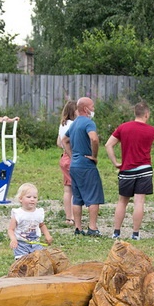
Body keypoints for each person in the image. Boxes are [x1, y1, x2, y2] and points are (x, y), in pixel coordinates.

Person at [105, 101, 154, 240]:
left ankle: (116, 232)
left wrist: (115, 162)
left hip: (126, 169)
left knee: (122, 201)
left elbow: (108, 145)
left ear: (135, 113)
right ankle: (135, 233)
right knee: (139, 202)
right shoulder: (150, 130)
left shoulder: (123, 128)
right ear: (146, 114)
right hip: (144, 169)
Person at [67, 97, 104, 236]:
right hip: (86, 164)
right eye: (92, 106)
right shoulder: (89, 123)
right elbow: (94, 138)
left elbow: (64, 139)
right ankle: (93, 228)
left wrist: (72, 155)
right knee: (93, 196)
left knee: (77, 197)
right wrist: (94, 155)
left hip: (74, 164)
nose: (94, 109)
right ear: (85, 109)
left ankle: (78, 228)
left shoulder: (74, 123)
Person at [7, 183, 53, 259]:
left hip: (35, 243)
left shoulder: (38, 212)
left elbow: (42, 225)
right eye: (28, 197)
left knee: (40, 261)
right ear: (20, 199)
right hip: (21, 244)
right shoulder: (18, 213)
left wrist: (47, 235)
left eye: (35, 197)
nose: (32, 199)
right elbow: (11, 229)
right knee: (23, 264)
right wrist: (13, 239)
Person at [56, 100, 77, 225]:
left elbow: (59, 143)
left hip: (64, 157)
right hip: (72, 157)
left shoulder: (63, 124)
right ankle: (74, 216)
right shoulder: (74, 125)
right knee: (75, 188)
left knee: (67, 189)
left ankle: (69, 216)